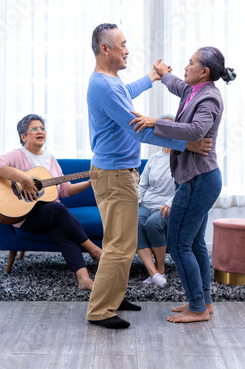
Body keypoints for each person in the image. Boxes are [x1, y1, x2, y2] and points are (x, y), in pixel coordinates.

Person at [86, 23, 212, 330]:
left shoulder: (110, 83)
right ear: (106, 49)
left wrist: (152, 78)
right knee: (119, 245)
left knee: (124, 243)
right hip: (115, 175)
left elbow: (126, 93)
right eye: (123, 45)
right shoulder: (104, 86)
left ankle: (113, 298)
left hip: (117, 173)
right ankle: (100, 309)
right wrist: (186, 143)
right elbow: (136, 128)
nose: (128, 50)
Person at [130, 46, 236, 323]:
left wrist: (155, 123)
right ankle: (205, 303)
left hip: (198, 181)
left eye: (190, 63)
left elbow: (195, 131)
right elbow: (178, 85)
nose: (185, 67)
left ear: (205, 72)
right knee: (196, 243)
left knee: (178, 245)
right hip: (201, 178)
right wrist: (163, 75)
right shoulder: (194, 90)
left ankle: (197, 308)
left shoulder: (209, 98)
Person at [0, 113, 102, 291]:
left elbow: (64, 190)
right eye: (34, 129)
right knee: (57, 209)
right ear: (23, 136)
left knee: (62, 231)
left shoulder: (50, 159)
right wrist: (23, 179)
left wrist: (88, 183)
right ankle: (93, 249)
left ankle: (84, 278)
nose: (40, 131)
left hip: (48, 214)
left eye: (42, 128)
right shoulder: (18, 155)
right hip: (25, 215)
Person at [137, 114, 175, 288]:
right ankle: (152, 272)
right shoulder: (154, 158)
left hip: (167, 205)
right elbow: (142, 185)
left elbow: (184, 187)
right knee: (134, 222)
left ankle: (160, 268)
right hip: (147, 203)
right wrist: (136, 201)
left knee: (153, 224)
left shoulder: (182, 157)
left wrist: (170, 203)